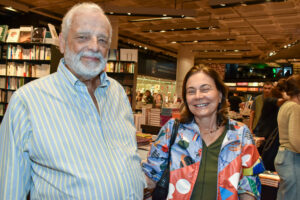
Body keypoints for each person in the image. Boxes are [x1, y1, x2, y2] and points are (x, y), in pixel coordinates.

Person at [0, 3, 145, 199]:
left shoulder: (117, 93)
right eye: (82, 37)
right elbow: (9, 190)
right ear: (62, 42)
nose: (94, 46)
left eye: (102, 39)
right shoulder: (27, 102)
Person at [143, 65, 264, 200]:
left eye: (205, 89)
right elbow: (150, 177)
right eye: (191, 91)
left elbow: (249, 189)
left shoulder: (241, 134)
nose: (198, 96)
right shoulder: (171, 130)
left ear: (220, 95)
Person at [274, 74, 300, 200]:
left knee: (285, 195)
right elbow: (296, 141)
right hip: (293, 158)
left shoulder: (285, 105)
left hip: (283, 156)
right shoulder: (295, 108)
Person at [253, 81, 286, 171]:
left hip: (268, 135)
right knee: (265, 162)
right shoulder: (269, 100)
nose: (267, 90)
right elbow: (280, 101)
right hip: (265, 136)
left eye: (269, 88)